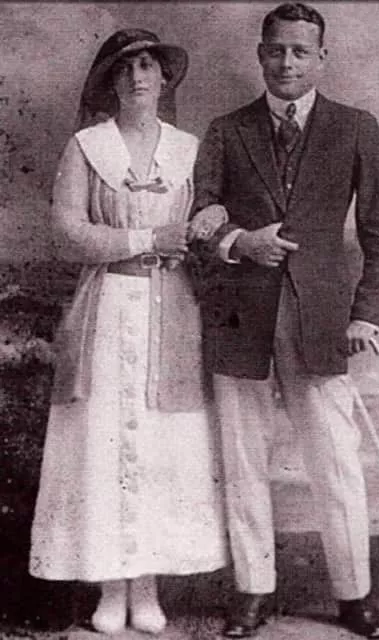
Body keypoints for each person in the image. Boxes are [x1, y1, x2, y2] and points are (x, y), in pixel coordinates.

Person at [190, 3, 379, 638]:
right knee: (243, 458)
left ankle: (354, 596)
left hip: (324, 320)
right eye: (277, 50)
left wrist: (367, 315)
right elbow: (200, 214)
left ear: (321, 58)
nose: (287, 62)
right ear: (261, 54)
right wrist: (240, 242)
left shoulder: (356, 127)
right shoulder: (226, 130)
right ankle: (253, 592)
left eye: (300, 51)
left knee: (335, 460)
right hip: (239, 317)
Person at [29, 28, 227, 636]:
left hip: (173, 308)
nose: (138, 78)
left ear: (164, 78)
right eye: (125, 70)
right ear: (110, 83)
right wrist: (145, 238)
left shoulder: (189, 150)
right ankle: (110, 586)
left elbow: (212, 216)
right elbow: (68, 231)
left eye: (147, 67)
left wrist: (213, 215)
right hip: (108, 305)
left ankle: (148, 586)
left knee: (164, 445)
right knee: (104, 440)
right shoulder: (88, 147)